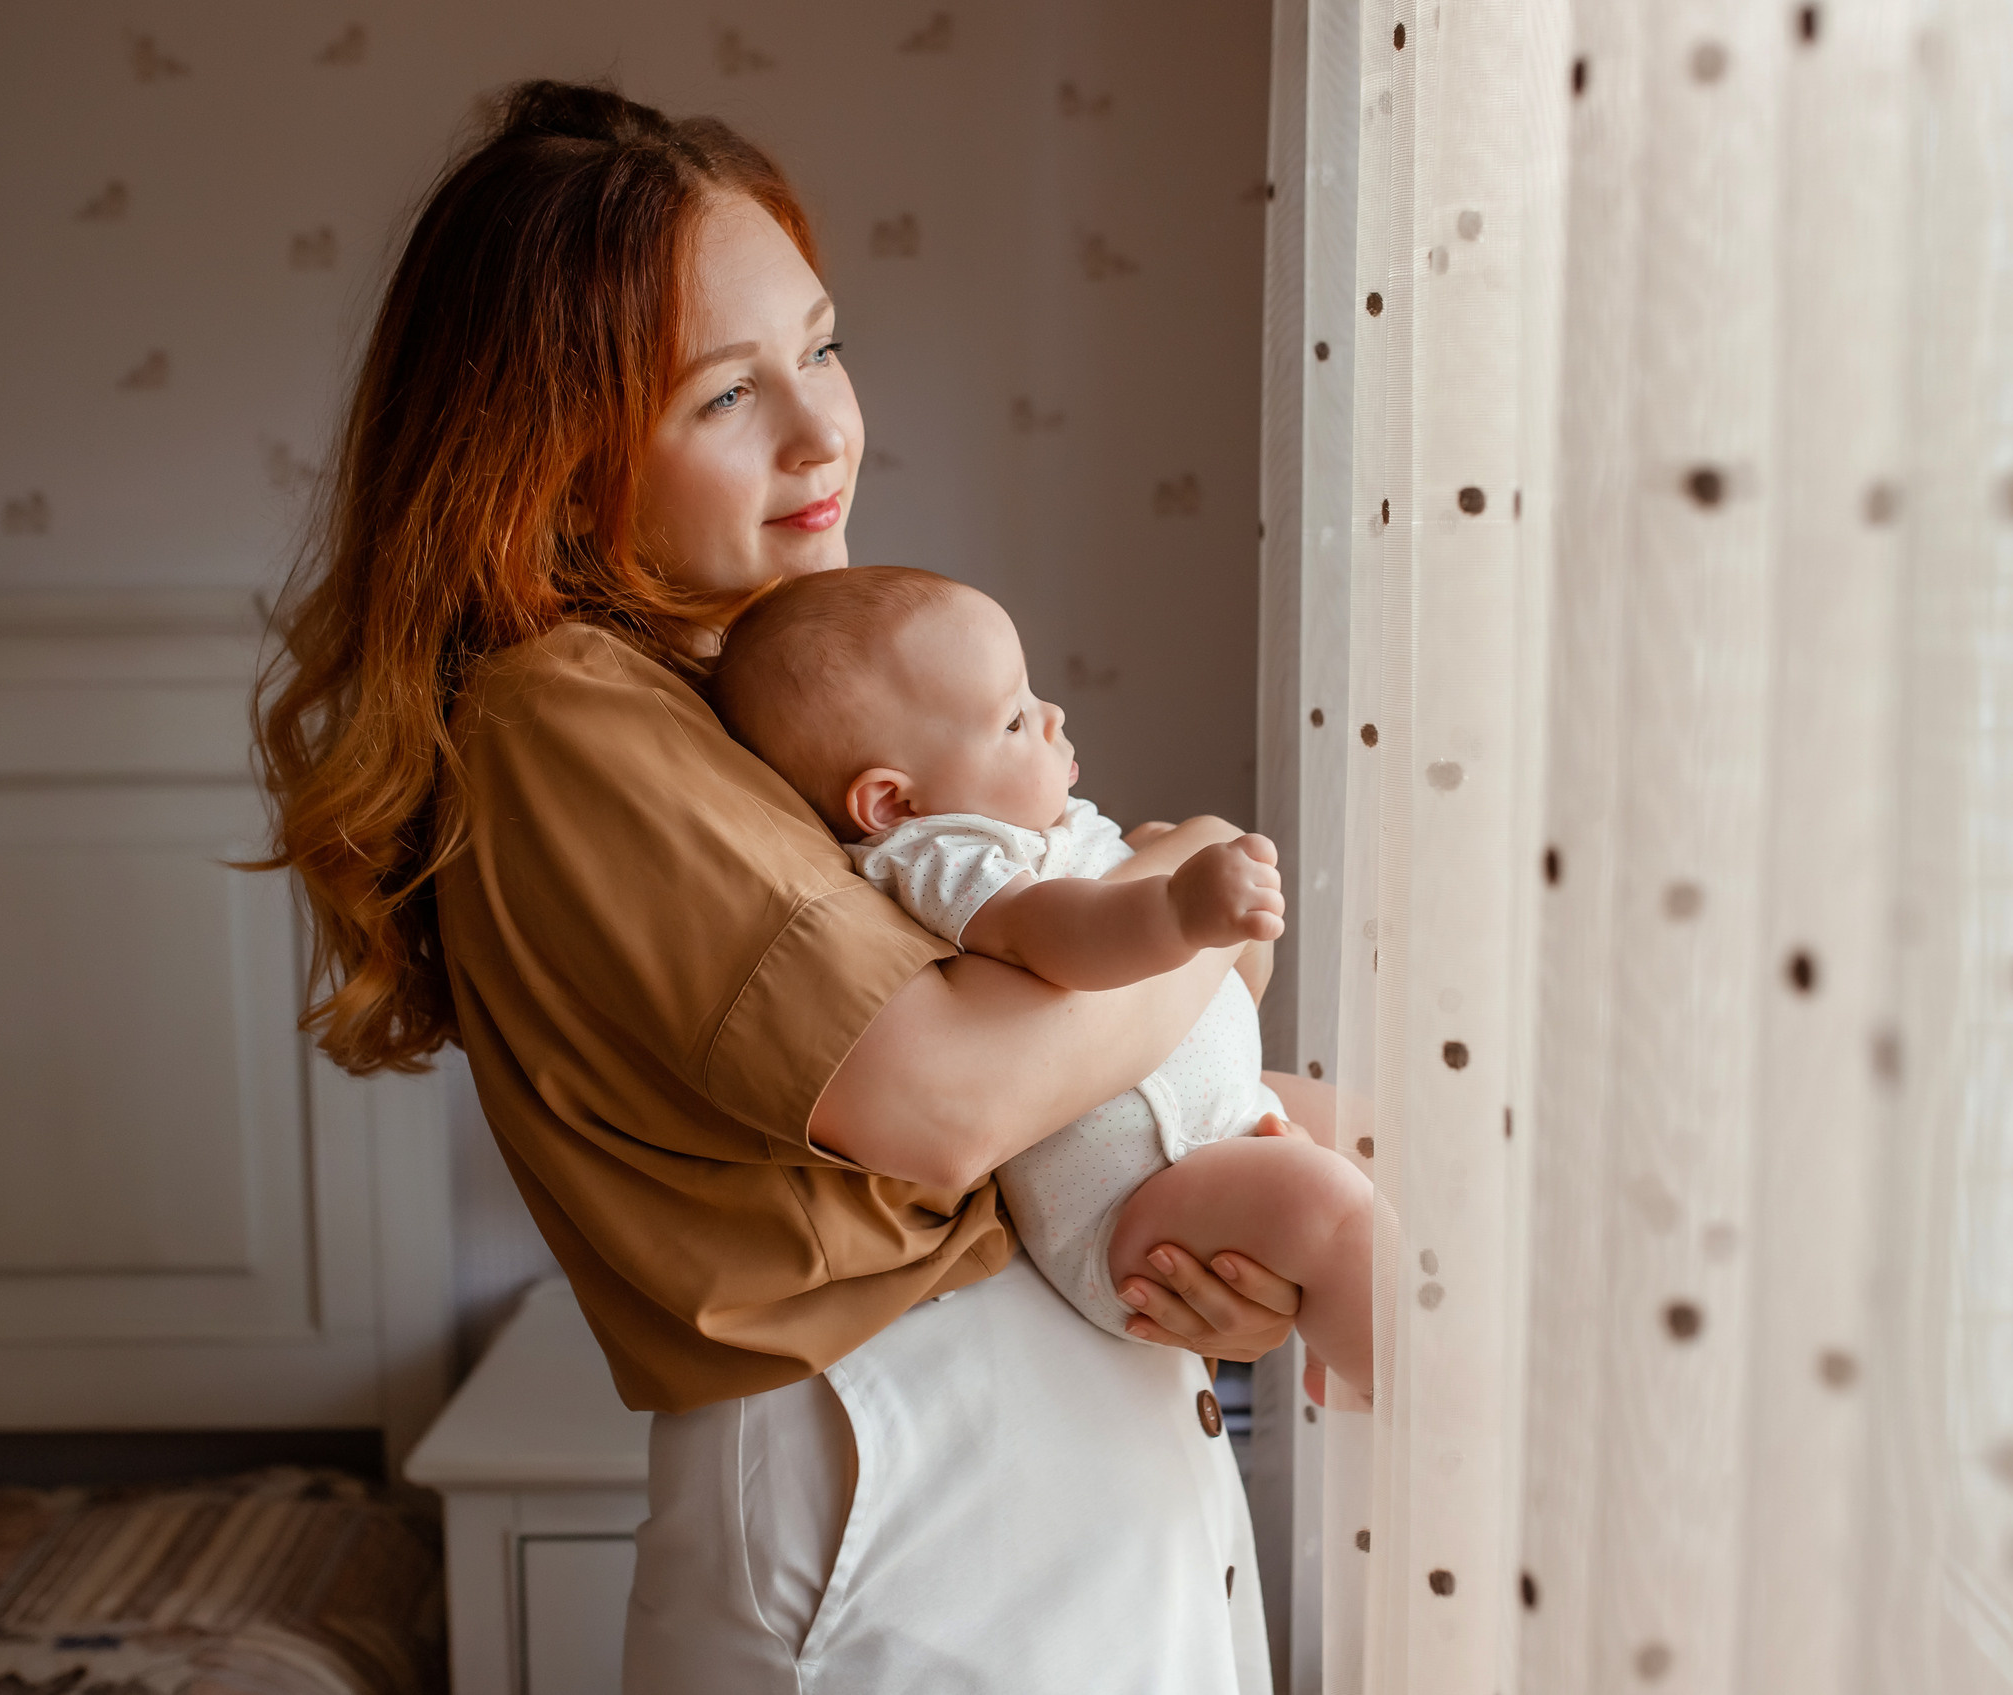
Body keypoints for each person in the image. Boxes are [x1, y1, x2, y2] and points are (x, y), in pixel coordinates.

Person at [251, 81, 1331, 1692]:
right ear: (547, 454)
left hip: (1020, 1461)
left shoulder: (744, 693)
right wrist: (1179, 888)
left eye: (821, 347)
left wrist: (1190, 1230)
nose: (823, 430)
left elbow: (1050, 1051)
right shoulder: (567, 716)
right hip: (906, 1480)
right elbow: (950, 1099)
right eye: (725, 393)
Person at [710, 566, 1375, 1395]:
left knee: (1384, 1137)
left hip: (1213, 1117)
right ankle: (1420, 1395)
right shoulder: (943, 856)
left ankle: (1349, 1336)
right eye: (1015, 718)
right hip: (1139, 1192)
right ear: (893, 803)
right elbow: (1057, 937)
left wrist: (1148, 850)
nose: (1053, 714)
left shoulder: (1029, 823)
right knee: (1327, 1205)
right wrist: (1178, 908)